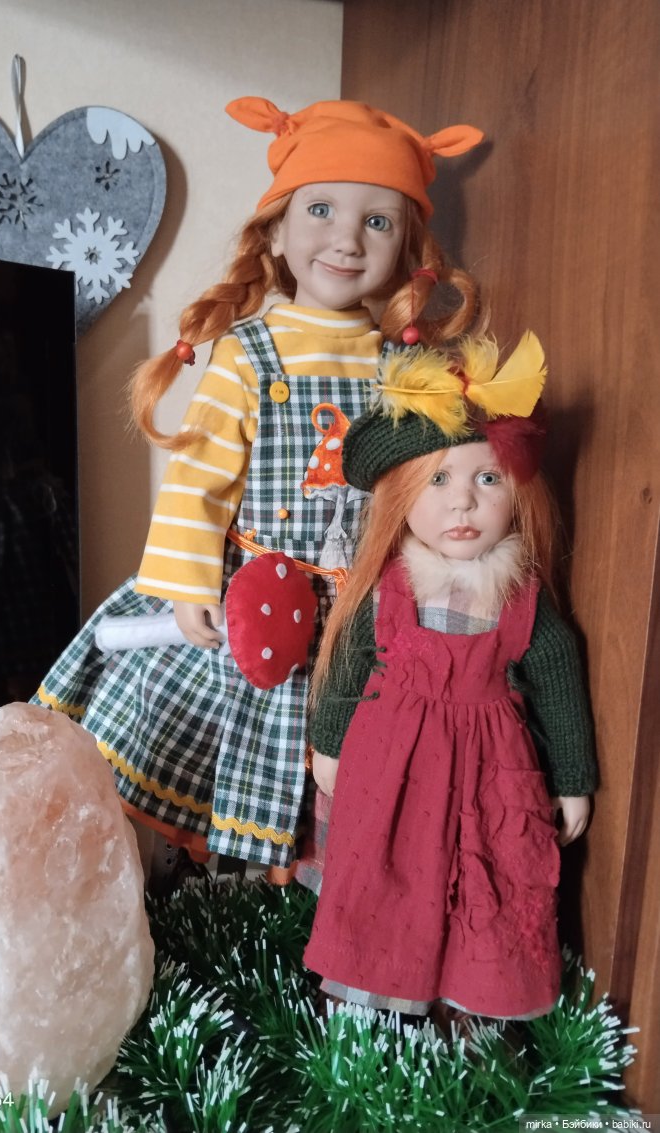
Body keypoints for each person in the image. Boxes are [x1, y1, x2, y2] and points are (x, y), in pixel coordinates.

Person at [32, 97, 484, 879]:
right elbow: (199, 478)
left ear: (408, 247)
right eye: (321, 209)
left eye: (378, 221)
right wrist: (187, 583)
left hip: (362, 617)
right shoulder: (248, 353)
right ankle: (225, 892)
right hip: (259, 604)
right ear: (276, 230)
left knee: (343, 773)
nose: (347, 238)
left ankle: (311, 903)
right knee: (234, 752)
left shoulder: (406, 367)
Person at [301, 331, 597, 1020]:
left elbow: (558, 679)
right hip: (392, 769)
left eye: (486, 479)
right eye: (438, 480)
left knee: (486, 879)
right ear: (402, 494)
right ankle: (378, 1007)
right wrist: (329, 743)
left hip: (490, 775)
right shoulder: (387, 591)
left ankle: (472, 1009)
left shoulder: (520, 598)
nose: (462, 503)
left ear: (518, 491)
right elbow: (347, 664)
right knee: (386, 878)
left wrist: (573, 778)